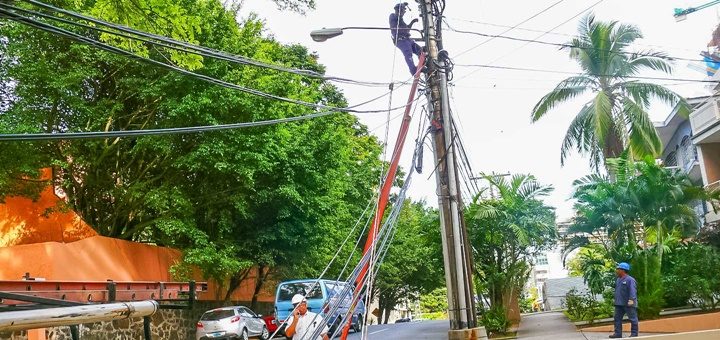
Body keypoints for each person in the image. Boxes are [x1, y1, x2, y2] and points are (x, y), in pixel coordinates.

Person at [389, 2, 423, 75]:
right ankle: (413, 70)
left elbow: (407, 29)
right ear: (397, 10)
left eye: (403, 12)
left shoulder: (401, 20)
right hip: (401, 40)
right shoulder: (393, 16)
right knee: (408, 53)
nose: (403, 13)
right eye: (402, 11)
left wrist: (412, 22)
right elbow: (396, 21)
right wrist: (402, 7)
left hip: (408, 40)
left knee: (420, 50)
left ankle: (423, 62)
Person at [610, 262, 638, 338]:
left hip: (628, 303)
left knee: (633, 319)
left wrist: (631, 300)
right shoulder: (618, 280)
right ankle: (618, 333)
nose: (616, 271)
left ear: (623, 270)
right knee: (617, 319)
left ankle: (634, 334)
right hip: (619, 303)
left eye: (618, 269)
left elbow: (632, 291)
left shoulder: (630, 280)